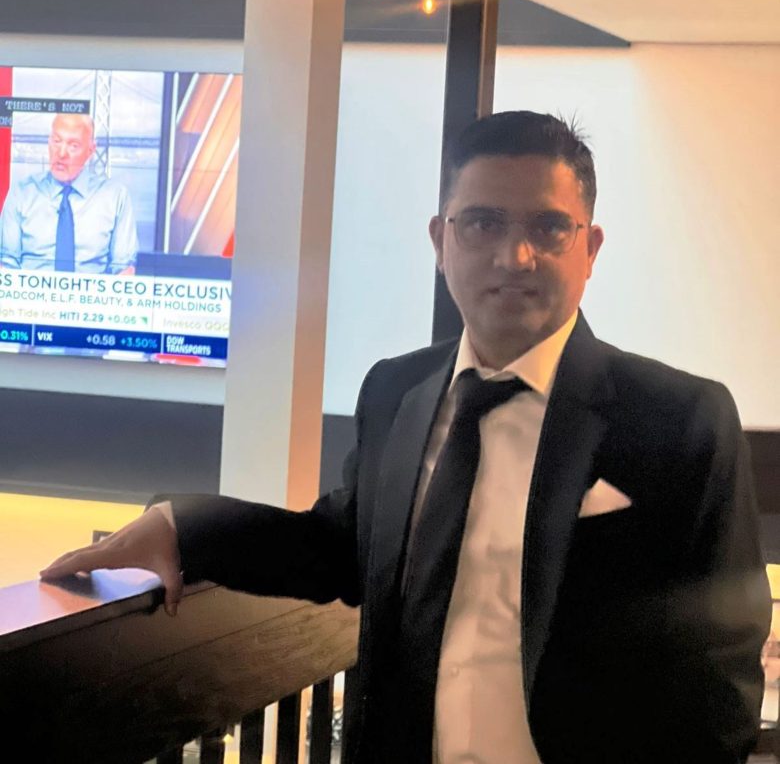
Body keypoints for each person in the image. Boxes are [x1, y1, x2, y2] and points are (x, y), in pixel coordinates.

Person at [41, 111, 771, 763]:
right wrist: (183, 528)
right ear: (439, 241)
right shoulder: (397, 392)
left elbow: (722, 670)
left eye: (549, 228)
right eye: (482, 223)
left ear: (591, 248)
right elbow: (342, 545)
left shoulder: (678, 419)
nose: (514, 256)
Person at [0, 112, 137, 273]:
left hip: (93, 289)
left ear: (91, 150)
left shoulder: (115, 196)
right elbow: (6, 264)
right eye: (57, 141)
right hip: (28, 289)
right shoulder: (22, 193)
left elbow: (123, 269)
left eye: (73, 146)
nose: (61, 153)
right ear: (49, 143)